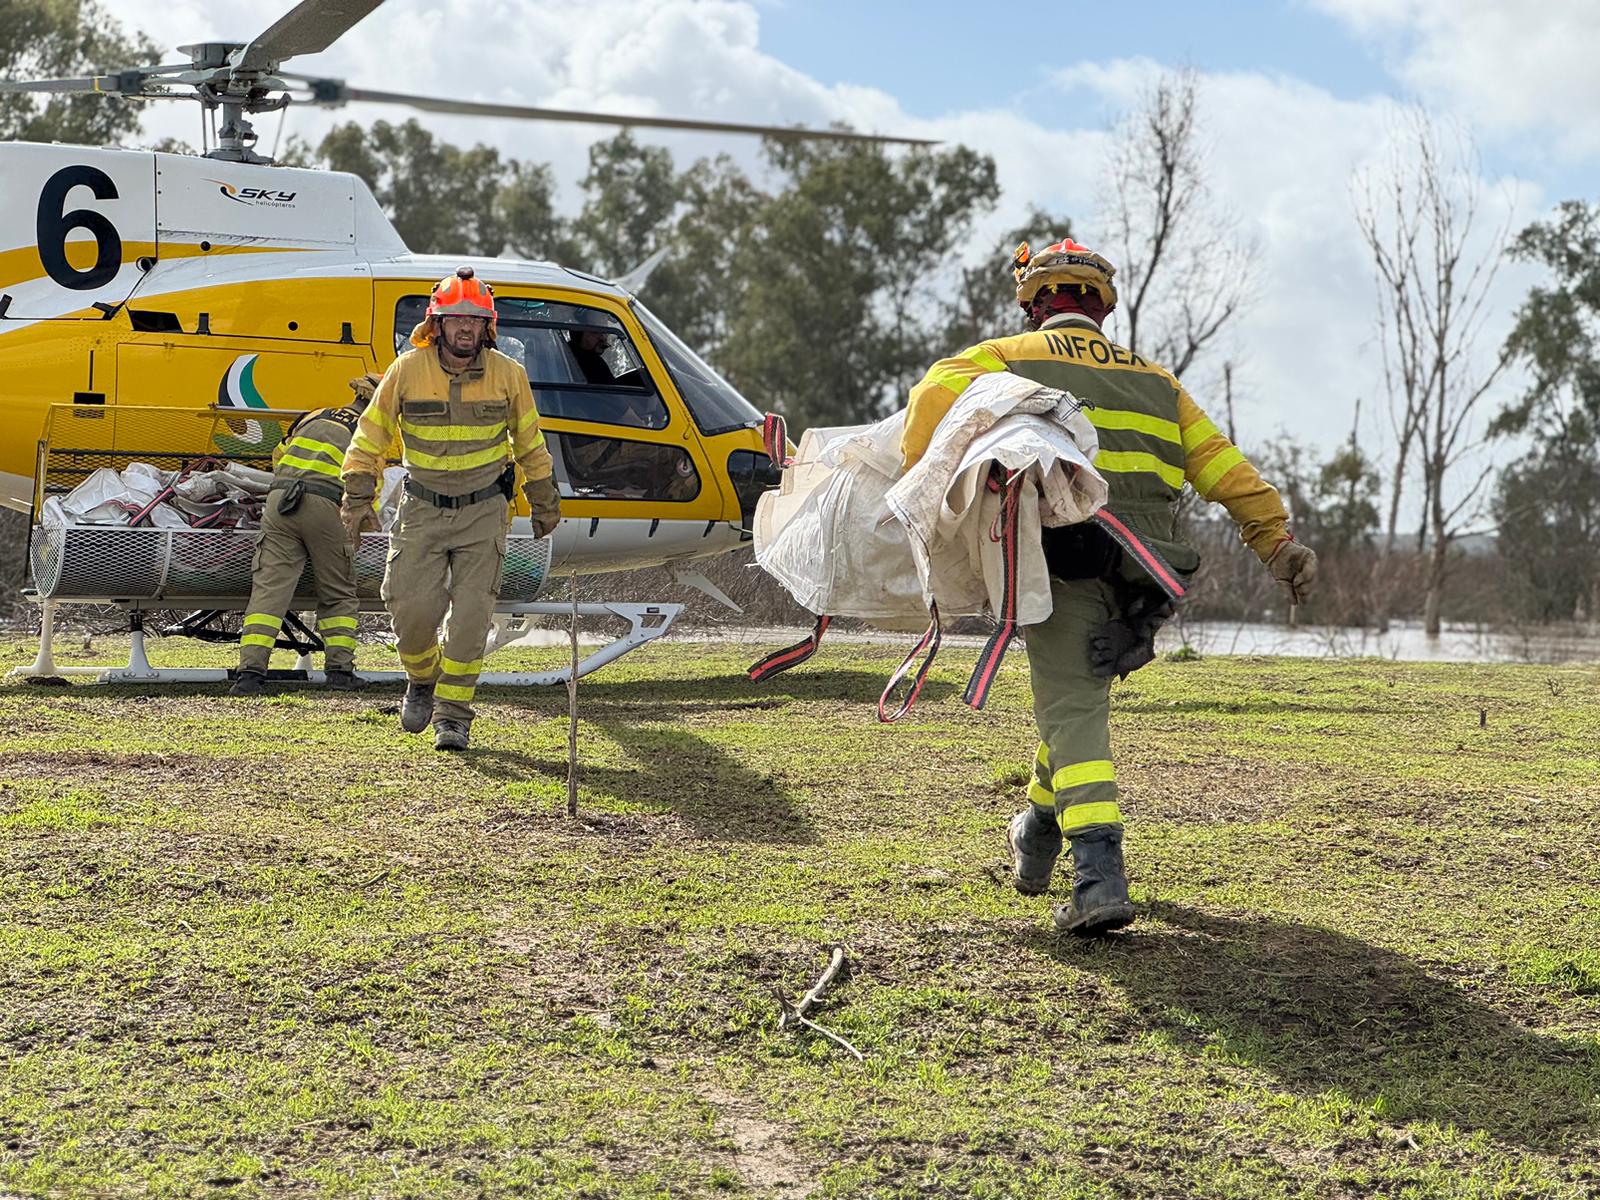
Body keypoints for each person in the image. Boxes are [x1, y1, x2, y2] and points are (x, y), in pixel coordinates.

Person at [902, 238, 1318, 935]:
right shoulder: (1159, 383)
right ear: (1102, 306)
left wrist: (922, 484)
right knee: (1077, 700)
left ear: (1035, 304)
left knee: (1073, 713)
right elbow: (1223, 467)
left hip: (1068, 558)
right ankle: (1036, 834)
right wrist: (1275, 540)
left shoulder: (1002, 358)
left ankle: (1099, 875)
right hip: (1151, 575)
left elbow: (928, 404)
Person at [340, 266, 561, 752]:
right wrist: (356, 498)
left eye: (475, 320)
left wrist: (545, 500)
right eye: (456, 318)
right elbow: (370, 436)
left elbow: (530, 442)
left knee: (471, 619)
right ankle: (422, 679)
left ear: (488, 327)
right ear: (436, 324)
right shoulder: (406, 370)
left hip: (484, 512)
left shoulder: (509, 375)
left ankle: (453, 717)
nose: (466, 328)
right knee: (410, 610)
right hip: (421, 510)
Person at [231, 374, 380, 697]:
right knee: (338, 591)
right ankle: (340, 672)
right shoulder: (369, 430)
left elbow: (278, 455)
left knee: (269, 592)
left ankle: (249, 675)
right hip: (328, 506)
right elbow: (365, 479)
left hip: (280, 502)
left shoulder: (315, 415)